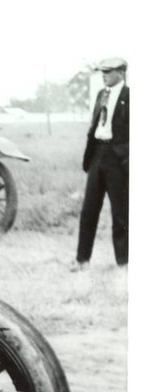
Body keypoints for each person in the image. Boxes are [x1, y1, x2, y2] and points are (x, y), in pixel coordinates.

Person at [75, 57, 130, 268]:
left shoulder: (131, 96)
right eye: (102, 72)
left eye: (108, 71)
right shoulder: (101, 95)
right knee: (89, 209)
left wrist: (125, 155)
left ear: (121, 72)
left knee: (121, 212)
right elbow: (95, 125)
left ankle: (124, 262)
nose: (104, 75)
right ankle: (82, 260)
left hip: (118, 159)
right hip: (97, 154)